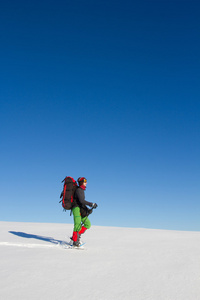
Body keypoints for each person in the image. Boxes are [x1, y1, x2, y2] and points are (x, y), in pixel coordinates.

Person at [71, 177, 97, 246]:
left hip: (80, 208)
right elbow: (82, 201)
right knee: (77, 224)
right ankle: (75, 241)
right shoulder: (79, 190)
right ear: (81, 182)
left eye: (86, 181)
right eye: (85, 181)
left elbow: (81, 202)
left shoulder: (81, 190)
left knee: (88, 224)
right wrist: (91, 204)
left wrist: (88, 210)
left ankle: (77, 235)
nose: (86, 182)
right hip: (76, 208)